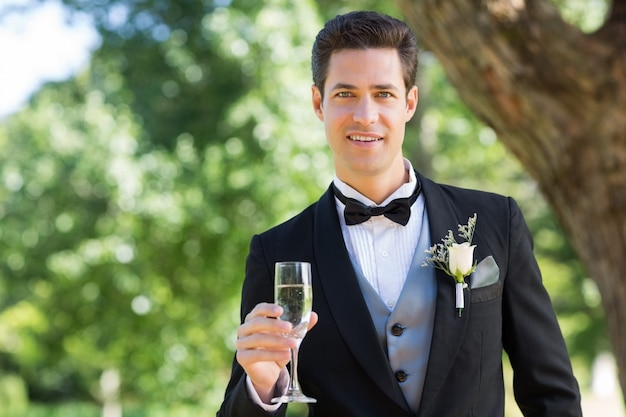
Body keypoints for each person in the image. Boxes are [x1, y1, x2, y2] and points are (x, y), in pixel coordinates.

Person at [217, 10, 582, 417]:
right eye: (345, 94)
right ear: (318, 103)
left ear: (410, 102)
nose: (365, 115)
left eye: (383, 93)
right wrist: (263, 386)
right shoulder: (277, 251)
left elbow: (552, 396)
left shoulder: (497, 221)